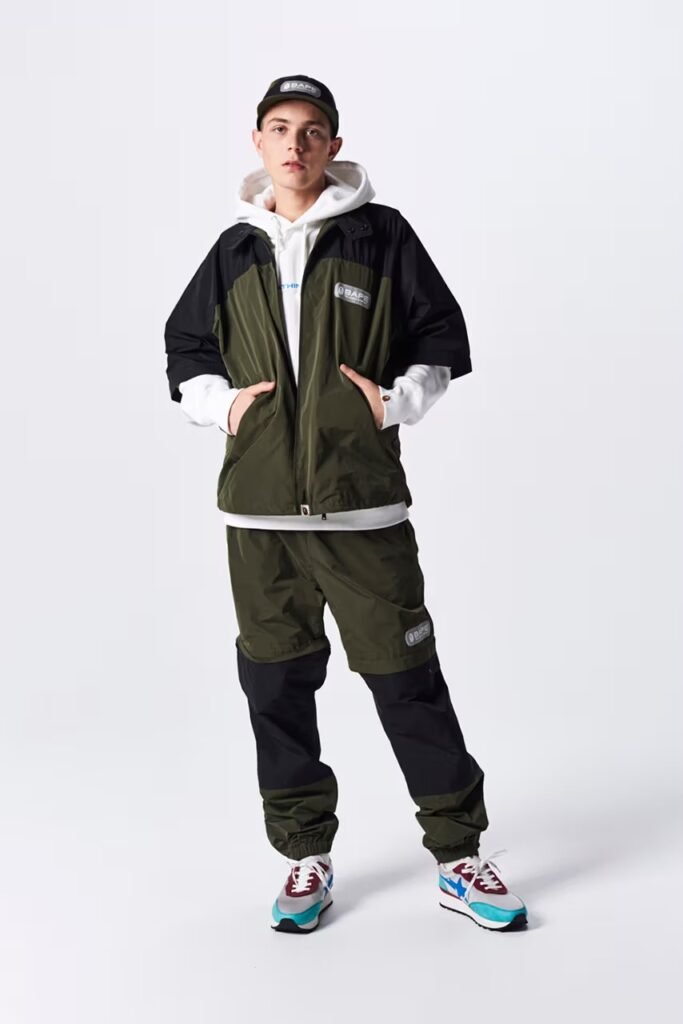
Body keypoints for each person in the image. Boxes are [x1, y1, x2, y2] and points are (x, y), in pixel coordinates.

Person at [164, 74, 527, 934]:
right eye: (278, 128)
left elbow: (439, 333)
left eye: (310, 130)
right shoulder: (234, 249)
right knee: (276, 692)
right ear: (257, 141)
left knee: (406, 683)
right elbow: (185, 348)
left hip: (362, 509)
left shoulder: (379, 234)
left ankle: (458, 856)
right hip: (258, 518)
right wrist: (224, 407)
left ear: (333, 144)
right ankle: (304, 856)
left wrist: (393, 403)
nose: (294, 144)